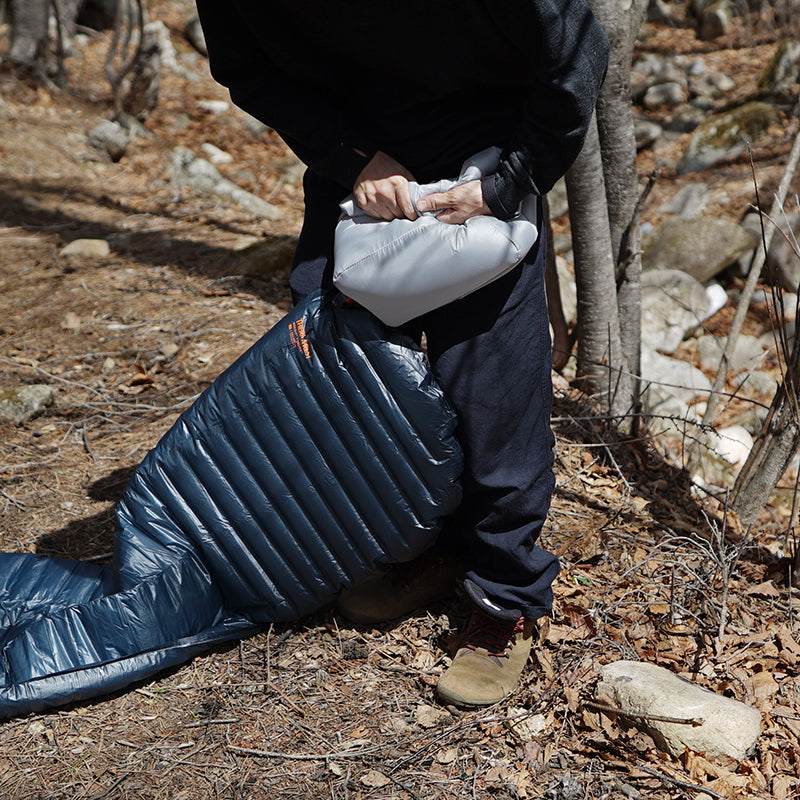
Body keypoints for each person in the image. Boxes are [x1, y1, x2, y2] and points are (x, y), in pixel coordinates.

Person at [195, 0, 610, 707]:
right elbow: (247, 68)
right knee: (334, 378)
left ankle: (504, 600)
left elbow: (576, 57)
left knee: (491, 393)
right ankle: (419, 546)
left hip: (484, 155)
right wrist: (351, 156)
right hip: (357, 158)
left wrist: (509, 180)